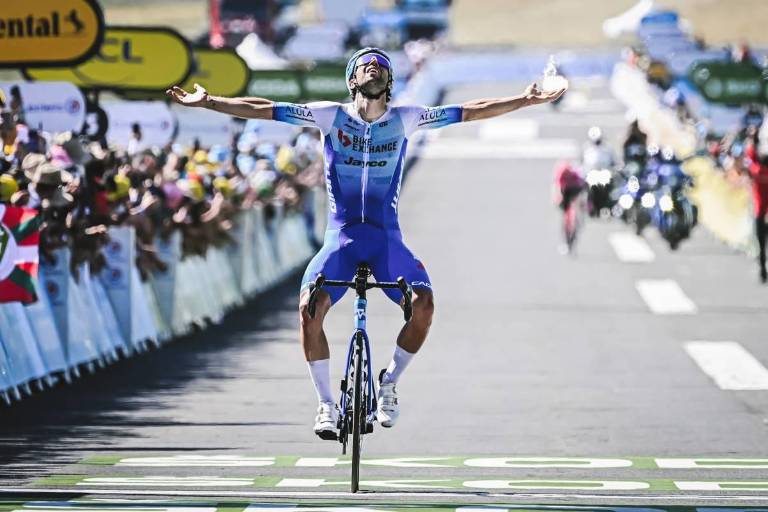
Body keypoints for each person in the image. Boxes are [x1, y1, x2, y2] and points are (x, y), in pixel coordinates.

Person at [167, 47, 565, 438]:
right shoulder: (329, 116)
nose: (374, 66)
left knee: (424, 306)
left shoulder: (406, 118)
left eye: (381, 65)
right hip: (340, 241)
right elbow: (266, 107)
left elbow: (470, 110)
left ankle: (389, 381)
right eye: (365, 64)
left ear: (388, 81)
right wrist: (210, 102)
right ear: (352, 79)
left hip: (385, 242)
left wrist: (525, 99)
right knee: (308, 310)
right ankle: (326, 404)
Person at [746, 132, 768, 283]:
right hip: (760, 209)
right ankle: (762, 266)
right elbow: (751, 164)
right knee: (761, 240)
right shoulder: (755, 163)